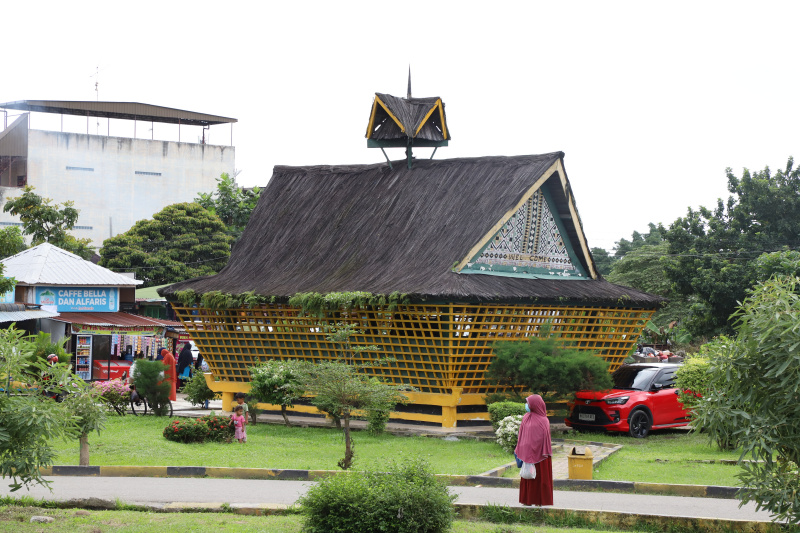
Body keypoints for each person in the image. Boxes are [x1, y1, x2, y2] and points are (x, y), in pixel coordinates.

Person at [514, 394, 553, 506]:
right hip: (527, 454)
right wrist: (521, 448)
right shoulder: (526, 417)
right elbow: (521, 435)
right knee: (527, 477)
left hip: (541, 456)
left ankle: (539, 502)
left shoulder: (543, 420)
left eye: (529, 403)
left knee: (540, 479)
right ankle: (527, 501)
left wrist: (533, 451)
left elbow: (544, 440)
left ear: (536, 405)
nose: (527, 405)